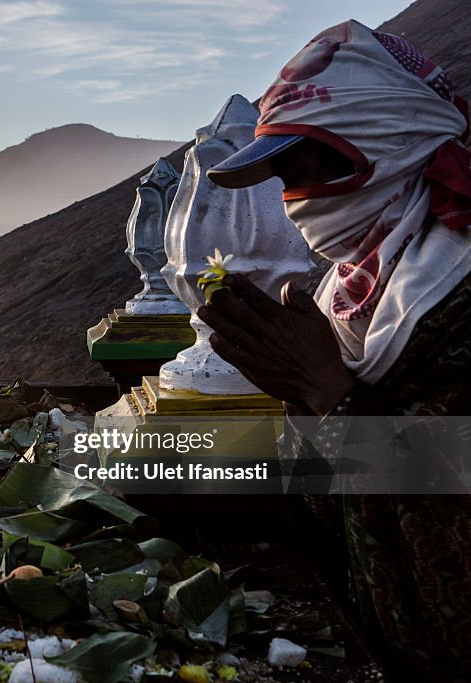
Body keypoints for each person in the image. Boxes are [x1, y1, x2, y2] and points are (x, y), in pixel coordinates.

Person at [200, 21, 471, 679]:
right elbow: (333, 504)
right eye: (283, 174)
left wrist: (334, 396)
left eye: (305, 164)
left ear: (381, 142)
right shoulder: (350, 291)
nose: (294, 198)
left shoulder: (455, 289)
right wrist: (299, 394)